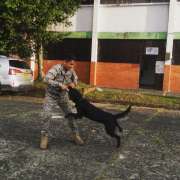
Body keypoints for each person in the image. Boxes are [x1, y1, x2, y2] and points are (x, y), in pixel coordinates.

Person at [41, 57, 84, 149]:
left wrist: (73, 83)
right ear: (65, 62)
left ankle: (75, 135)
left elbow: (75, 79)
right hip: (51, 96)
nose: (72, 66)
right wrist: (60, 84)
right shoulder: (56, 68)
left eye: (73, 64)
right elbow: (46, 79)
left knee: (71, 114)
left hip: (63, 96)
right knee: (46, 114)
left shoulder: (71, 70)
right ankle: (44, 137)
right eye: (70, 64)